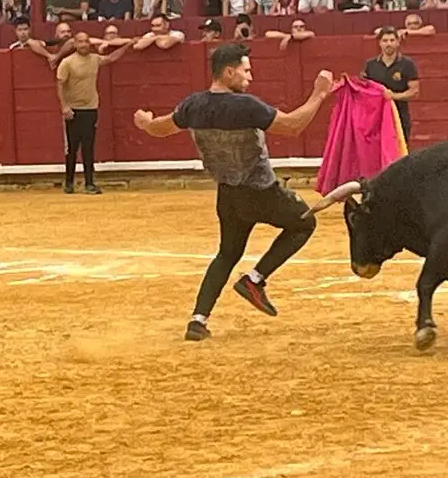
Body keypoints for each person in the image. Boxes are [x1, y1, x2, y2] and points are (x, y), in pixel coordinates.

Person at [133, 42, 334, 341]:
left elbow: (161, 128)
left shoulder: (193, 106)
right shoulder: (246, 106)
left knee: (227, 253)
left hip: (228, 194)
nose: (249, 77)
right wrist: (319, 93)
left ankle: (198, 320)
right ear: (229, 72)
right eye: (245, 71)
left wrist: (145, 123)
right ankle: (255, 279)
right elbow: (293, 126)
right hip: (262, 192)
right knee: (304, 223)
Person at [56, 31, 131, 194]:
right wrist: (64, 106)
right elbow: (60, 85)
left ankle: (89, 183)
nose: (84, 44)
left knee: (88, 147)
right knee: (72, 148)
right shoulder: (67, 63)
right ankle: (69, 182)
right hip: (73, 110)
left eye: (86, 41)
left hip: (90, 109)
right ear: (75, 44)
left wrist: (127, 46)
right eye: (80, 42)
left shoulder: (94, 59)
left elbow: (111, 58)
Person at [361, 26, 420, 144]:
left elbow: (415, 92)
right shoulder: (370, 65)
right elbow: (363, 91)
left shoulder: (407, 64)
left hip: (399, 116)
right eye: (385, 41)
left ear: (398, 42)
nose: (389, 44)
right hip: (376, 118)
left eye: (392, 40)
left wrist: (393, 96)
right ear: (380, 43)